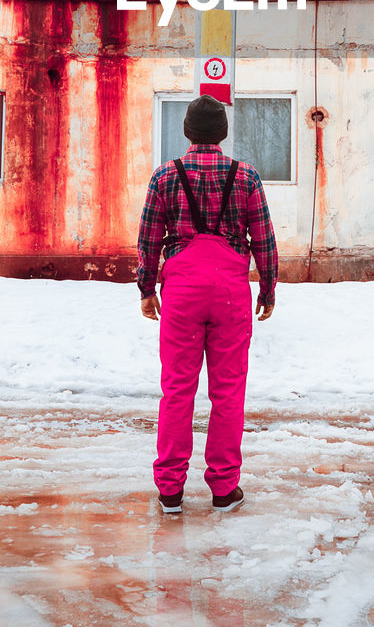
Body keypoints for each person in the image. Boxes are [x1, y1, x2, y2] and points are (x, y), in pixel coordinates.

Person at [137, 94, 278, 514]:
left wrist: (147, 290)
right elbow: (265, 240)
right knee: (228, 391)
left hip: (181, 291)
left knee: (177, 389)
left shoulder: (165, 177)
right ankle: (222, 488)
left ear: (187, 132)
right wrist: (268, 290)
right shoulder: (247, 177)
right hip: (231, 292)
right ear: (222, 133)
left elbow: (147, 240)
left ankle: (170, 490)